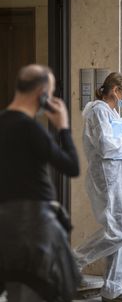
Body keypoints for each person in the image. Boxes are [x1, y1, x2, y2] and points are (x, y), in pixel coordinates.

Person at [0, 64, 80, 302]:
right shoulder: (31, 128)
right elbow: (71, 166)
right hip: (33, 223)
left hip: (5, 220)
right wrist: (63, 127)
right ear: (42, 94)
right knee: (40, 286)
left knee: (16, 284)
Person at [73, 72, 122, 302]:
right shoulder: (98, 110)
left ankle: (113, 289)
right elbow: (105, 146)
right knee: (117, 231)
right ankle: (71, 261)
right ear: (115, 90)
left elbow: (116, 142)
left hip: (121, 177)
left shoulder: (112, 112)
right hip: (107, 178)